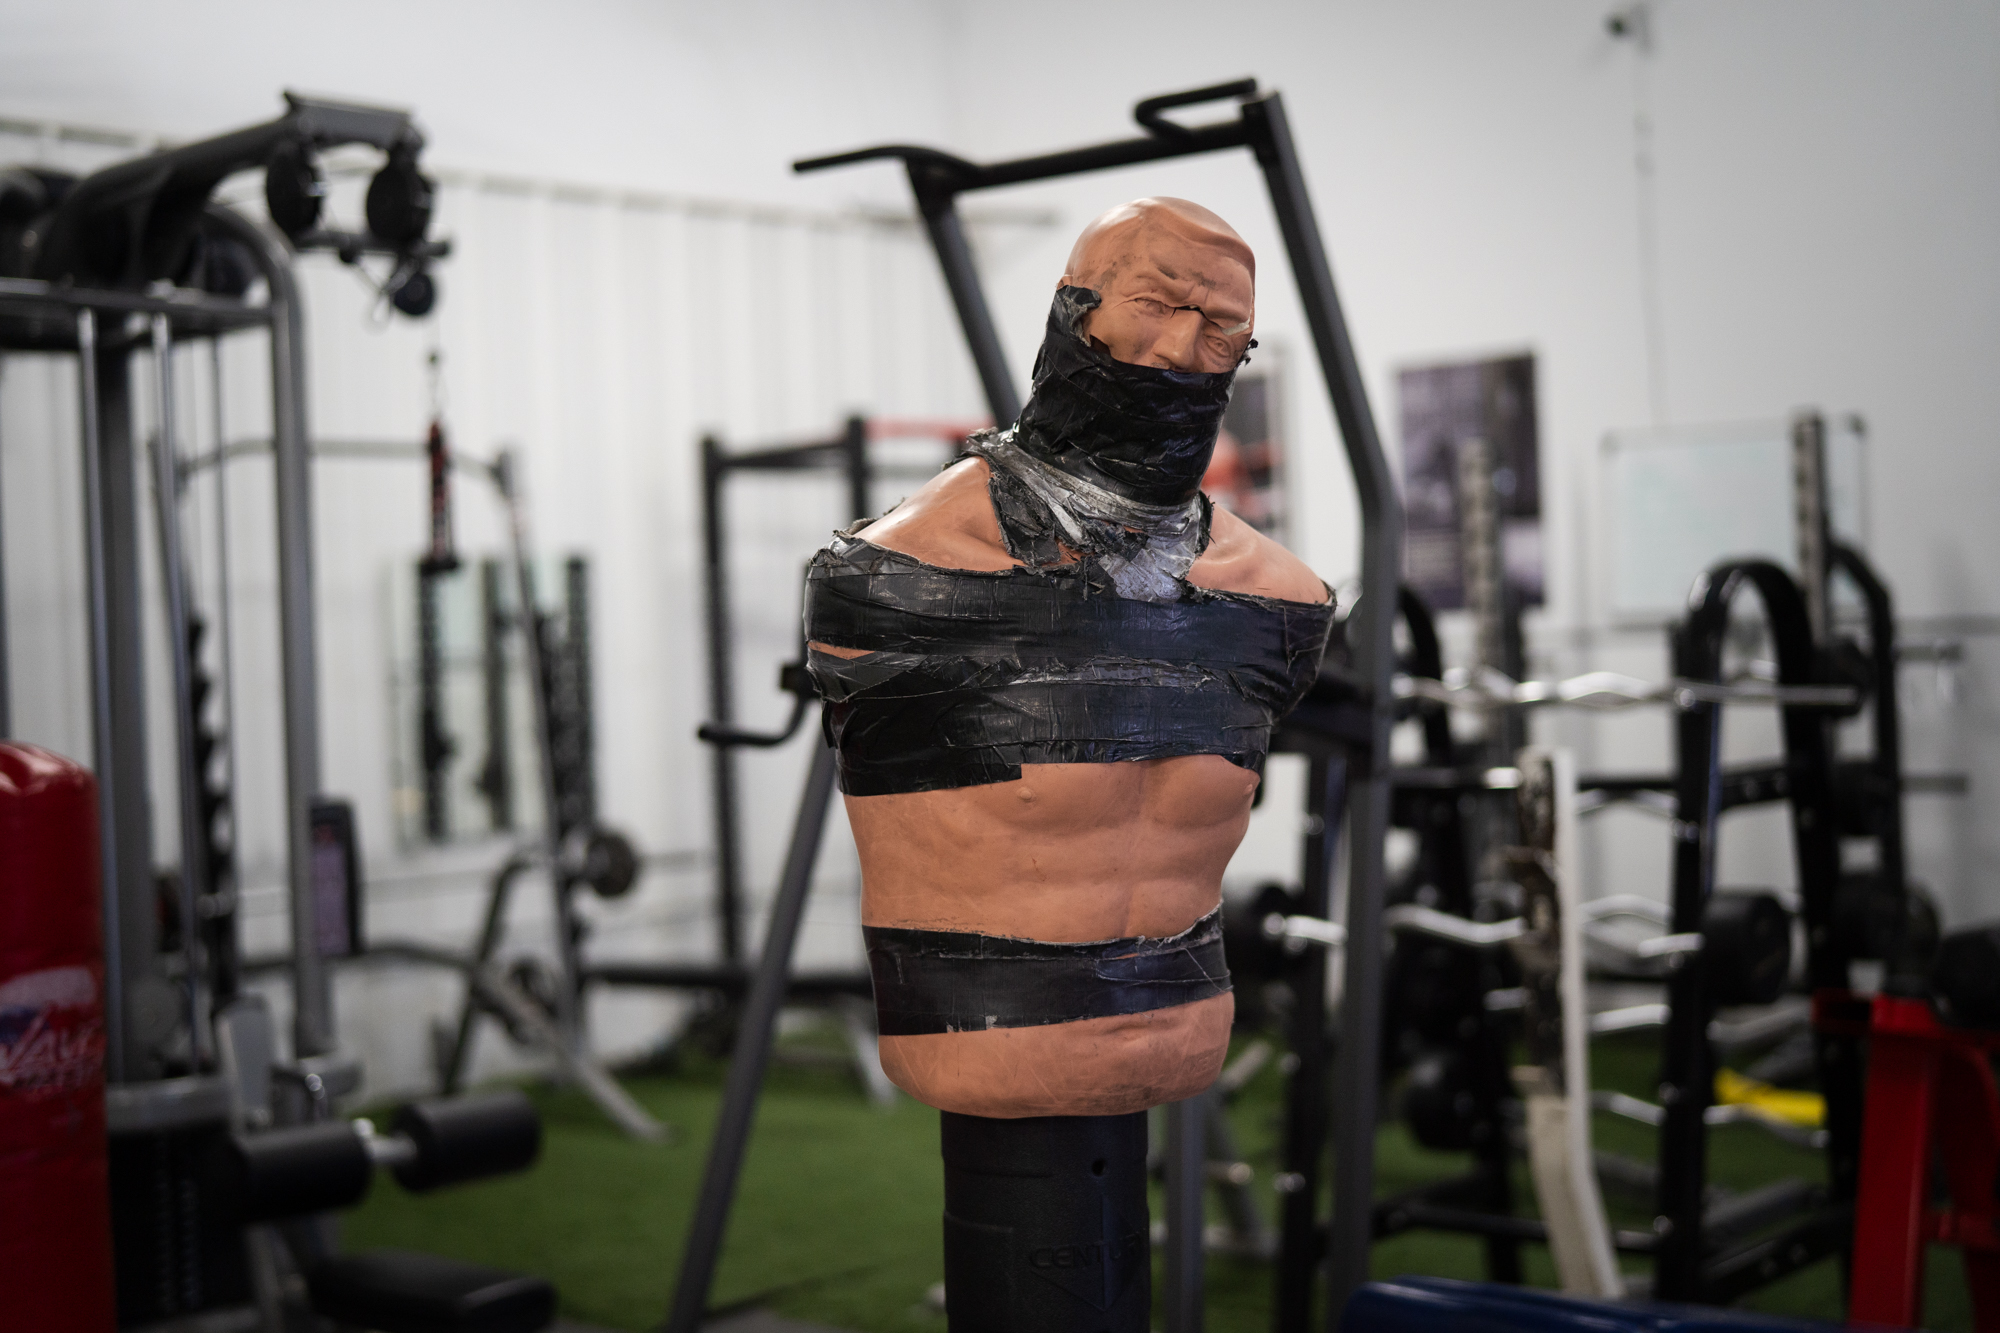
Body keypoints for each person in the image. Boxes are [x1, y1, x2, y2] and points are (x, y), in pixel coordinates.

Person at [804, 196, 1331, 1332]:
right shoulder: (890, 580)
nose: (1181, 347)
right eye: (1157, 302)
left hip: (1180, 1034)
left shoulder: (1282, 604)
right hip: (982, 1046)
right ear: (1073, 309)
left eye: (1221, 329)